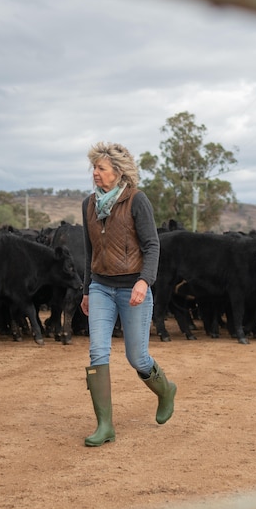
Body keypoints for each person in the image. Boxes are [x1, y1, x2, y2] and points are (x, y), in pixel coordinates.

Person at [79, 141, 177, 447]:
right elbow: (89, 250)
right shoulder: (89, 204)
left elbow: (152, 245)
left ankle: (165, 391)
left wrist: (144, 281)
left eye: (101, 168)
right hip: (100, 287)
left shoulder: (137, 200)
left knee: (137, 357)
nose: (95, 173)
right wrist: (86, 290)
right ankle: (105, 425)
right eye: (94, 167)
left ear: (118, 172)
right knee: (98, 351)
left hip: (133, 287)